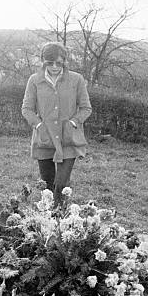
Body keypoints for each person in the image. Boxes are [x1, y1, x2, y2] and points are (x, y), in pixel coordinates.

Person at [21, 42, 92, 206]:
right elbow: (27, 109)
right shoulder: (34, 80)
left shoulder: (76, 80)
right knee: (46, 187)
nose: (54, 67)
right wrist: (39, 126)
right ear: (42, 61)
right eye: (49, 63)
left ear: (65, 61)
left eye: (59, 63)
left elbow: (86, 108)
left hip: (68, 140)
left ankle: (63, 222)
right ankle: (47, 225)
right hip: (44, 139)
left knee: (60, 186)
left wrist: (73, 123)